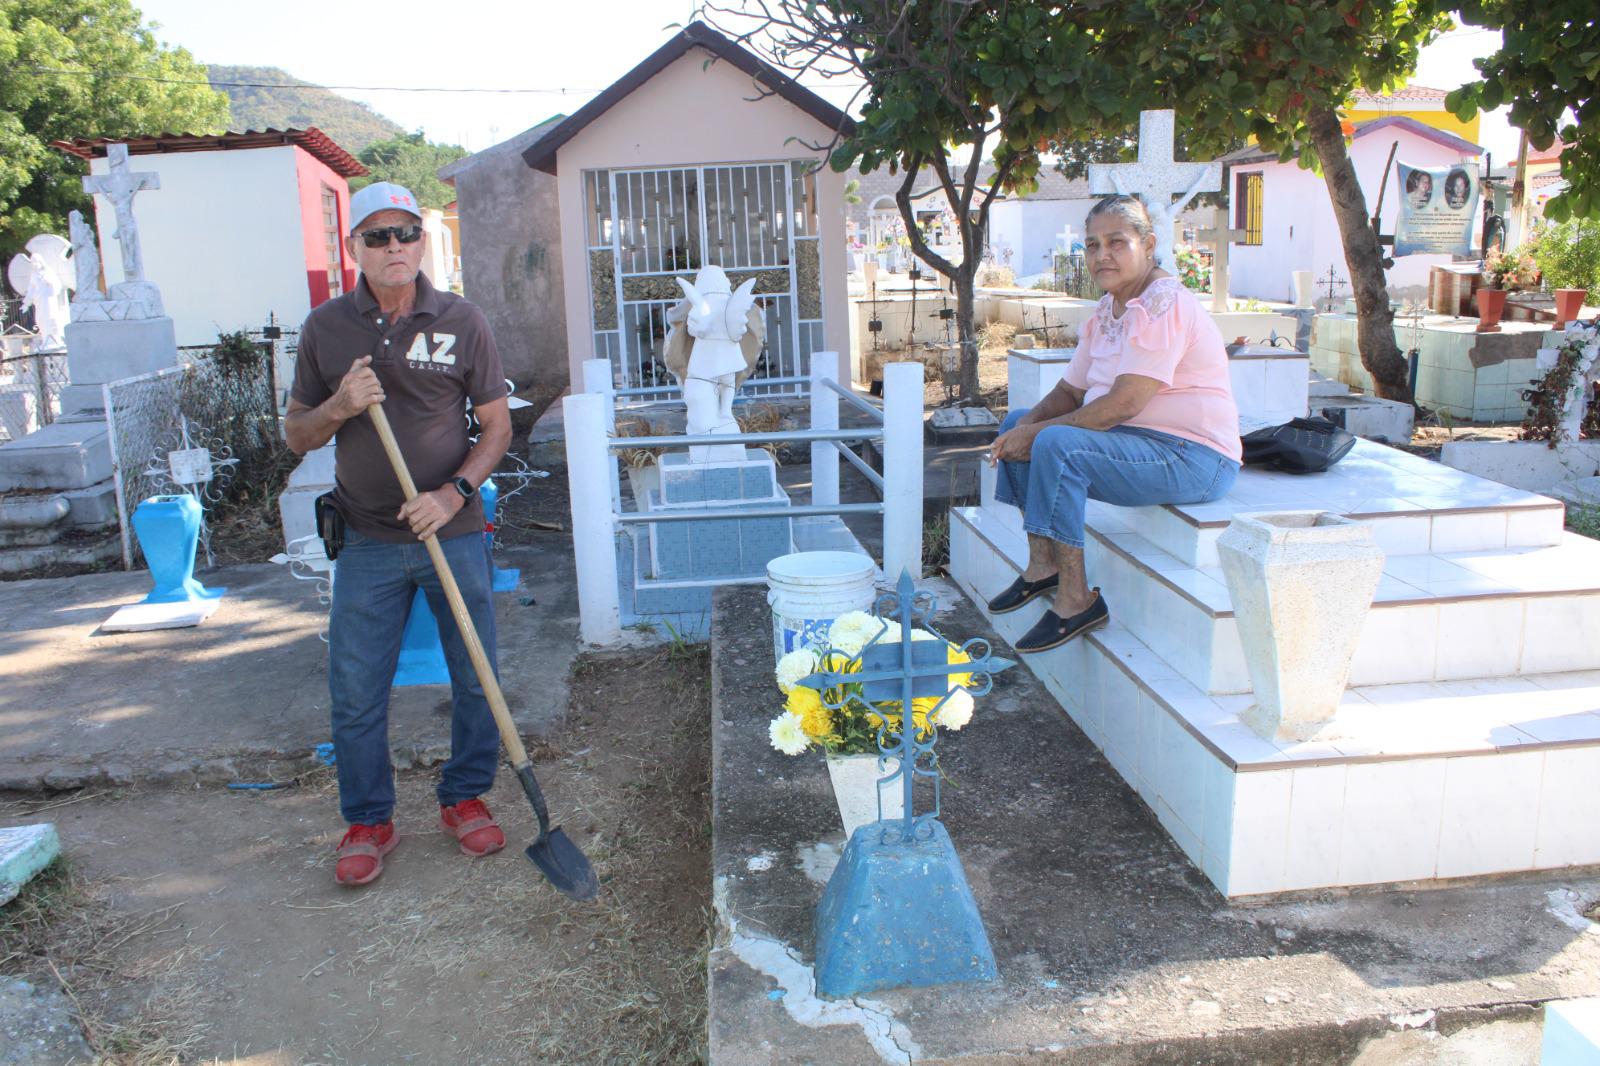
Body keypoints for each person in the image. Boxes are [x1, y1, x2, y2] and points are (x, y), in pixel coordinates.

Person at [285, 182, 513, 886]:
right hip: (368, 540)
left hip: (455, 531)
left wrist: (453, 494)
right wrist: (340, 405)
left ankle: (464, 797)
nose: (394, 247)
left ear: (423, 240)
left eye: (405, 233)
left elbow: (497, 426)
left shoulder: (461, 319)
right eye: (377, 236)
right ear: (353, 247)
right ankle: (369, 818)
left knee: (477, 675)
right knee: (355, 688)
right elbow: (297, 435)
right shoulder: (326, 329)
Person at [986, 195, 1240, 653]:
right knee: (1023, 420)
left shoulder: (1163, 305)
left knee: (1056, 442)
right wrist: (1020, 430)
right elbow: (1069, 392)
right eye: (1092, 244)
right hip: (1139, 442)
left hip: (1194, 457)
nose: (1102, 254)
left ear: (1148, 245)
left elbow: (1123, 404)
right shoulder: (1109, 309)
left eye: (1117, 242)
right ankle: (1043, 567)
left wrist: (1039, 434)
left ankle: (1077, 600)